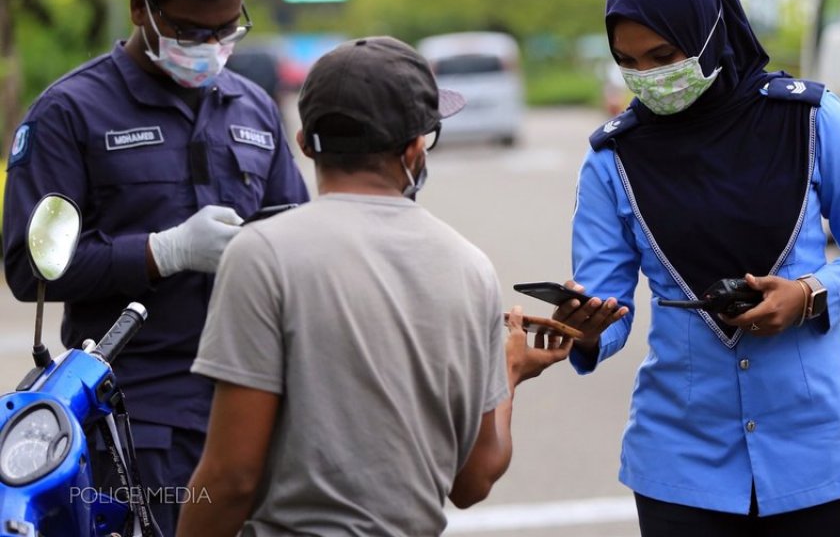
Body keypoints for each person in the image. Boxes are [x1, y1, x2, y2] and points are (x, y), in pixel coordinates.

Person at [554, 0, 840, 535]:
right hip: (679, 459)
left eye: (664, 55)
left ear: (711, 30)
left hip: (817, 450)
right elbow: (607, 304)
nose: (649, 77)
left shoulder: (811, 120)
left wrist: (810, 293)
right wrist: (587, 327)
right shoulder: (612, 160)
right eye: (629, 62)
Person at [175, 35, 572, 537]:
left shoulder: (262, 255)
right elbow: (473, 481)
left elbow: (231, 478)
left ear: (303, 142)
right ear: (413, 150)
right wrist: (509, 370)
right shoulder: (469, 268)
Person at [2, 0, 309, 536]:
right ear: (142, 8)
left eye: (229, 29)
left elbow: (299, 236)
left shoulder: (252, 107)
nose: (212, 49)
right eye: (193, 31)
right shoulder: (70, 113)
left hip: (257, 404)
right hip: (141, 419)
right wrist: (162, 252)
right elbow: (27, 269)